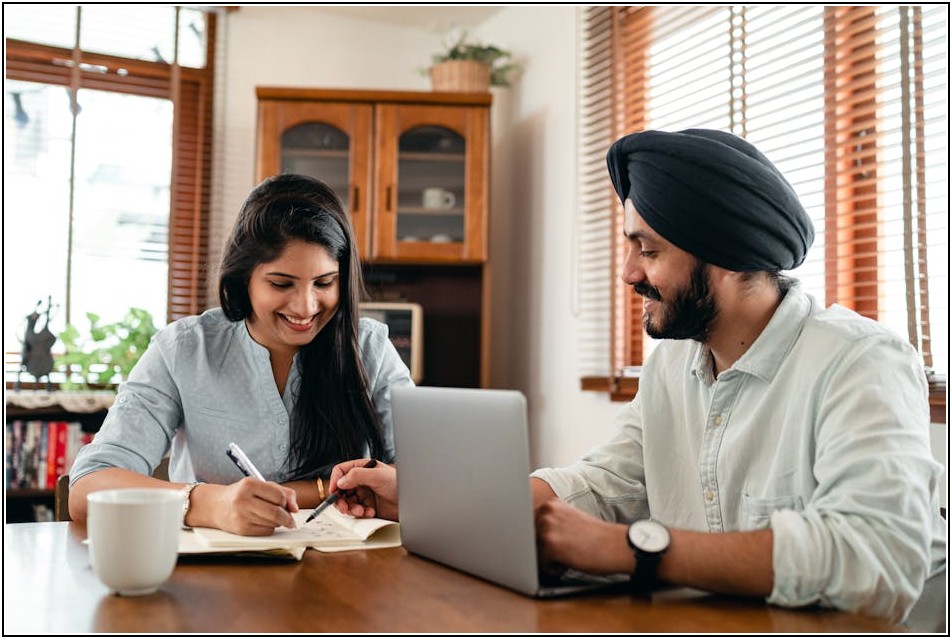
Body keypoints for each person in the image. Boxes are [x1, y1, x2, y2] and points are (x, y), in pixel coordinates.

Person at [328, 129, 946, 625]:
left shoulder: (861, 362)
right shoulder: (673, 365)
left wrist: (632, 549)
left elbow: (879, 558)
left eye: (648, 251)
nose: (627, 273)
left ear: (726, 257)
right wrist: (436, 501)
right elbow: (606, 483)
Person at [69, 173, 414, 535]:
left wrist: (395, 490)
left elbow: (426, 478)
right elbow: (88, 488)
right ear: (243, 277)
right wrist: (208, 503)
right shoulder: (184, 348)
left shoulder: (370, 348)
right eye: (281, 284)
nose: (306, 306)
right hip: (214, 567)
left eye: (324, 283)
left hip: (348, 565)